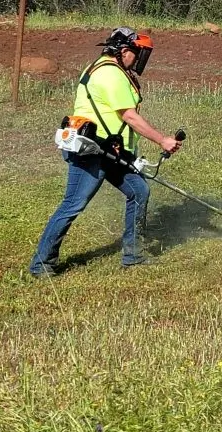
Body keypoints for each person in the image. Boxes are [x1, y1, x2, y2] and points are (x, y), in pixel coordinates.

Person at [29, 27, 182, 276]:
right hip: (92, 150)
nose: (140, 60)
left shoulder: (103, 68)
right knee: (74, 204)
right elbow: (130, 116)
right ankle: (41, 263)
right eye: (137, 53)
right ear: (124, 51)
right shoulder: (111, 74)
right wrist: (162, 140)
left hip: (110, 148)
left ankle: (132, 256)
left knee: (139, 191)